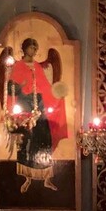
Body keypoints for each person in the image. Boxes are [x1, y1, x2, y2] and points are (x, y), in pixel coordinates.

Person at [7, 38, 68, 193]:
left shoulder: (36, 66)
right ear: (25, 49)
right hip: (24, 108)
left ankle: (47, 179)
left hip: (40, 107)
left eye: (36, 48)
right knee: (28, 141)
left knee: (44, 139)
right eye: (31, 47)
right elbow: (11, 90)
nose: (34, 50)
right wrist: (20, 89)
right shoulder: (18, 67)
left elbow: (46, 88)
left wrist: (57, 96)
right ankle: (27, 179)